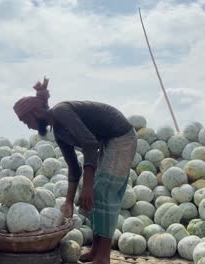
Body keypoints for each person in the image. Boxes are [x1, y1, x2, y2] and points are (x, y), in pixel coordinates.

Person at [12, 77, 137, 264]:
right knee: (96, 193)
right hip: (107, 141)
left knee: (103, 192)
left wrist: (87, 187)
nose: (28, 126)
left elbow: (89, 143)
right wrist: (69, 201)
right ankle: (96, 250)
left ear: (36, 112)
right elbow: (73, 168)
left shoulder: (61, 112)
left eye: (26, 121)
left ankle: (104, 257)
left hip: (121, 136)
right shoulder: (59, 133)